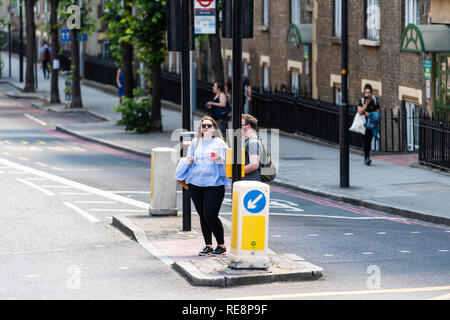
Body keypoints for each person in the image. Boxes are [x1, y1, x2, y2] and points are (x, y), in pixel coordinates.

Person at [185, 116, 230, 256]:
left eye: (209, 126)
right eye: (203, 126)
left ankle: (221, 245)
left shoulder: (220, 143)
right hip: (196, 183)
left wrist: (220, 159)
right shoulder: (195, 142)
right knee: (202, 215)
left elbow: (229, 164)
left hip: (214, 183)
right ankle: (208, 245)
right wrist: (190, 160)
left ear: (214, 128)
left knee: (210, 214)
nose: (205, 128)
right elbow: (189, 159)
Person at [357, 84, 381, 166]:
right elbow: (359, 112)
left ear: (371, 93)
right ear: (364, 93)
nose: (367, 94)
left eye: (369, 92)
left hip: (371, 124)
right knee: (365, 141)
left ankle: (367, 157)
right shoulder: (362, 101)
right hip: (363, 124)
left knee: (369, 141)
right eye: (366, 93)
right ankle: (366, 158)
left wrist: (371, 114)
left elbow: (378, 112)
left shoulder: (375, 101)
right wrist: (365, 105)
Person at [241, 114, 262, 181]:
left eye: (240, 125)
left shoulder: (252, 142)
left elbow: (254, 165)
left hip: (251, 182)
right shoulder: (249, 141)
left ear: (248, 126)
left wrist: (236, 172)